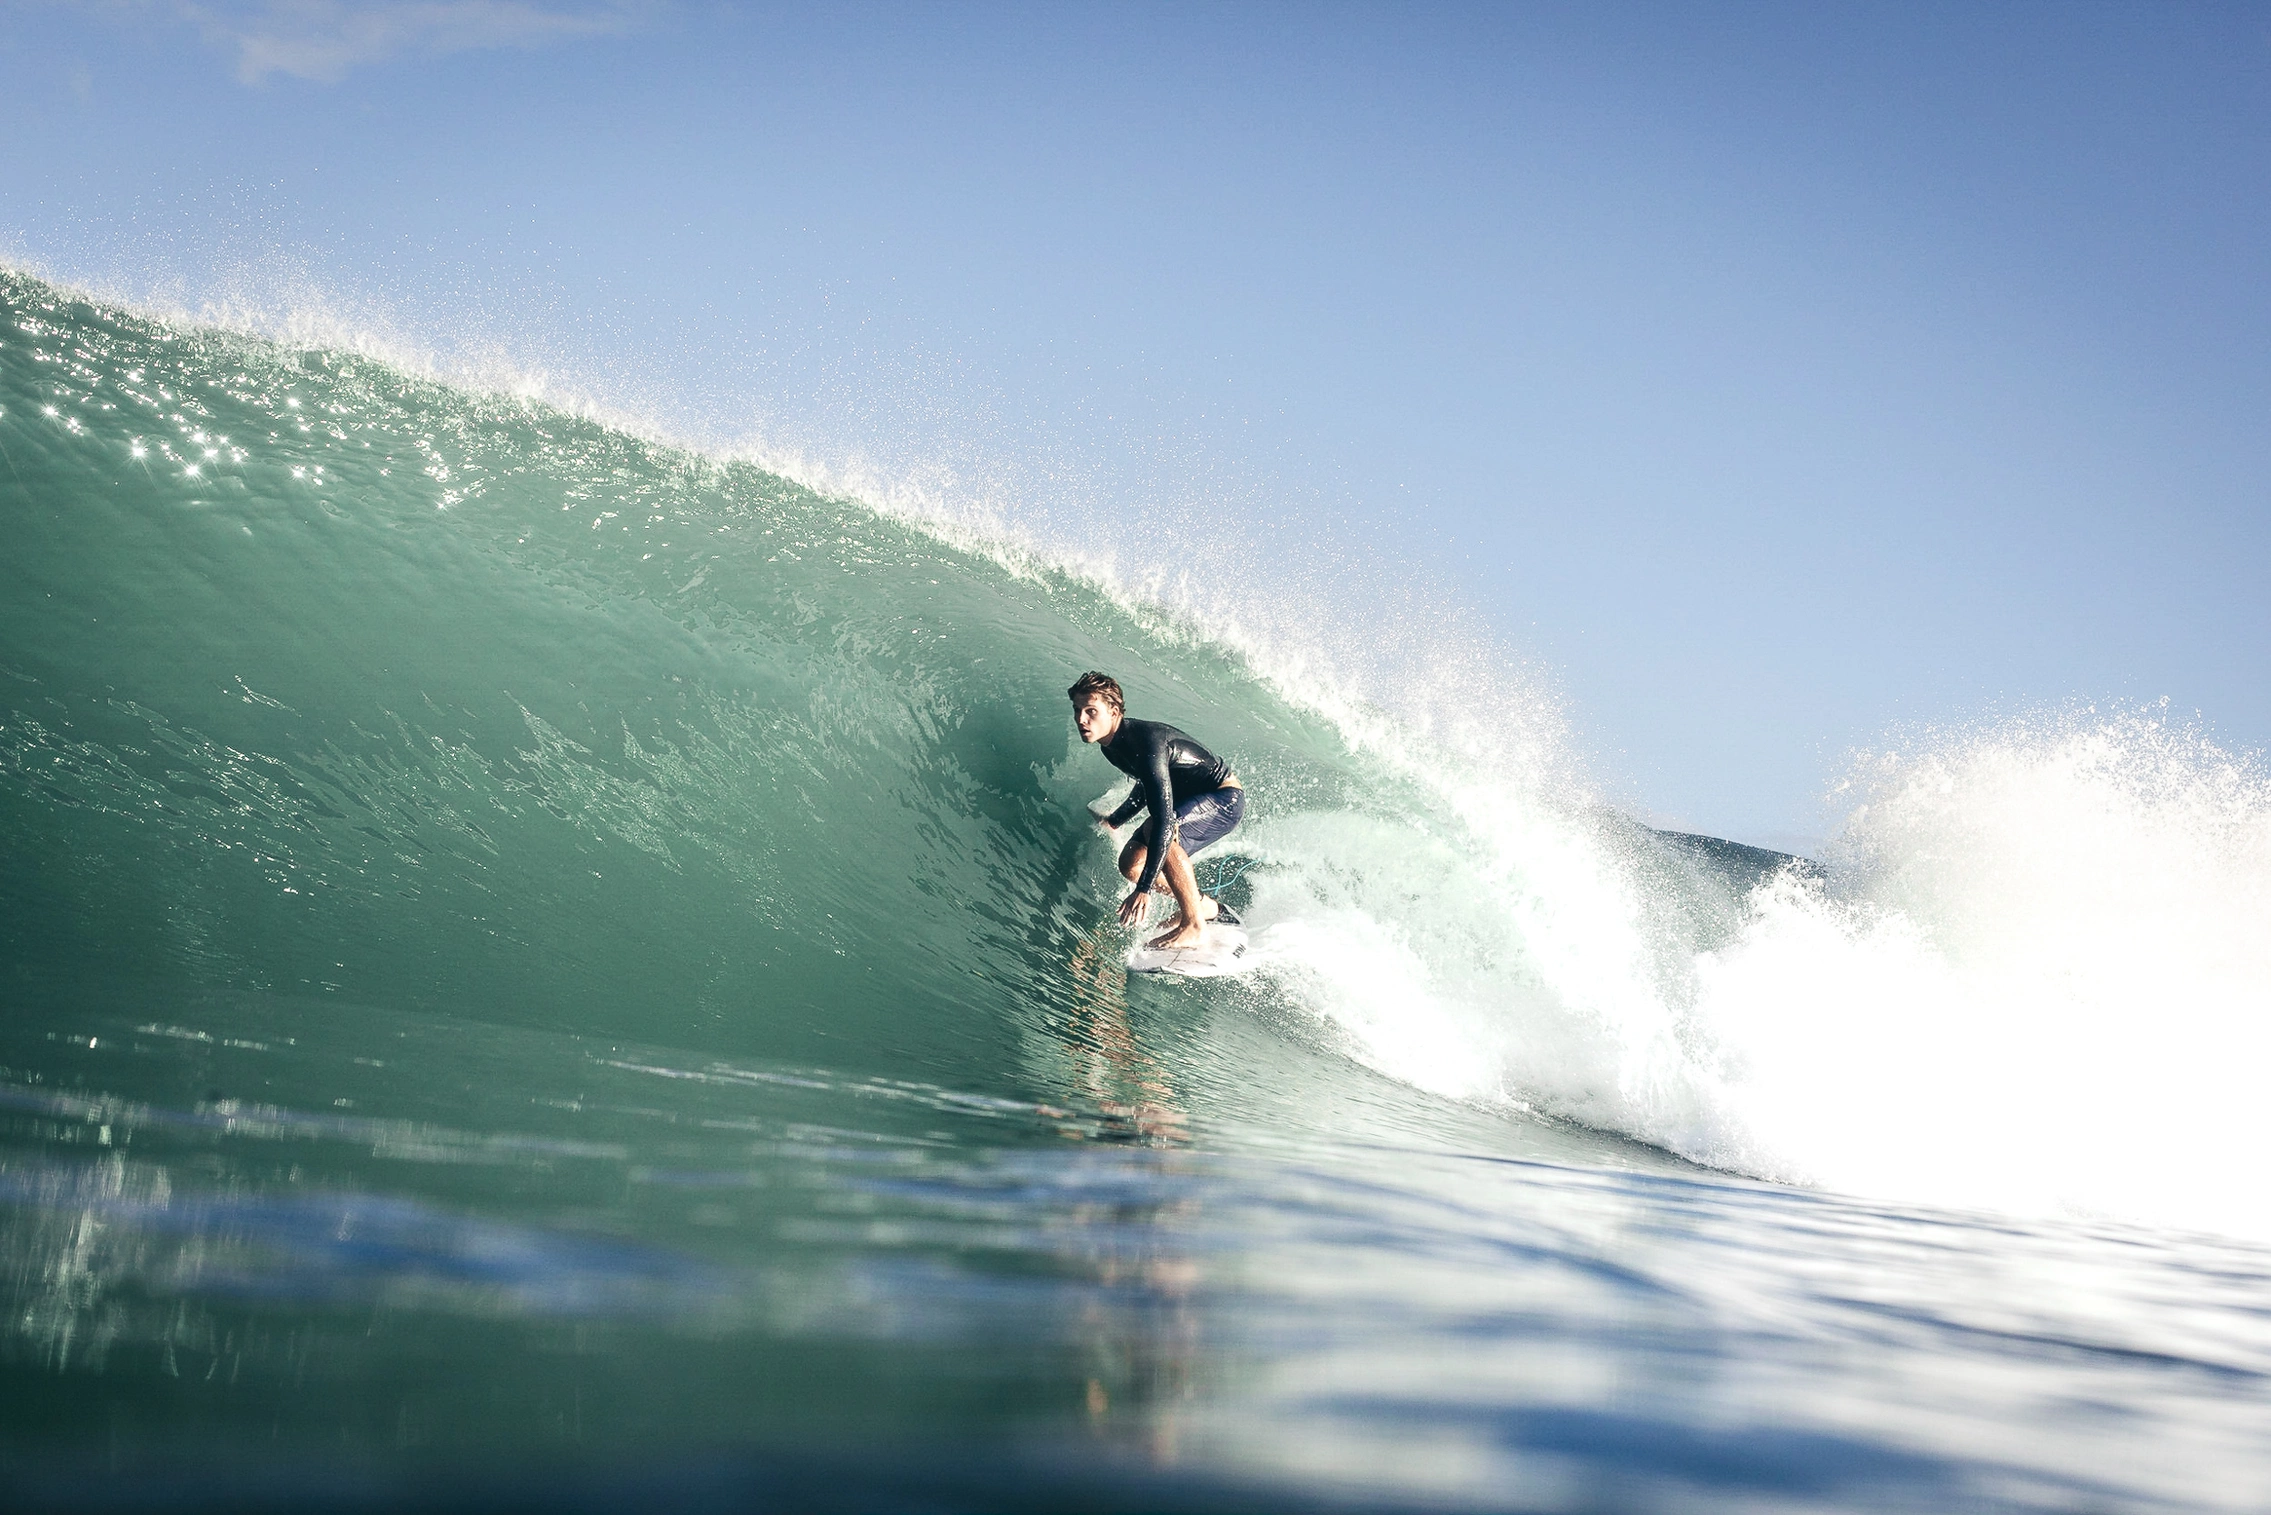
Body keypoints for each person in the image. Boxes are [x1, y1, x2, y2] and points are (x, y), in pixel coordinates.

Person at [1068, 671, 1245, 950]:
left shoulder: (1147, 743)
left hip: (1223, 800)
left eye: (1091, 711)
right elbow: (1147, 787)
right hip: (1189, 802)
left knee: (1157, 829)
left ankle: (1194, 926)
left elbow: (1163, 821)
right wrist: (1115, 821)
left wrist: (1144, 890)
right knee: (1131, 864)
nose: (1081, 719)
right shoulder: (1111, 747)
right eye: (1078, 710)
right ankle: (1204, 909)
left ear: (1114, 712)